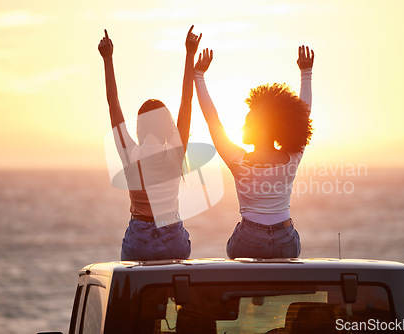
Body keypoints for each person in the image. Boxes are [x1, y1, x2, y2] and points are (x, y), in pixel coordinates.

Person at [194, 45, 314, 259]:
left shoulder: (237, 160)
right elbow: (303, 115)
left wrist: (198, 76)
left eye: (248, 123)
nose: (242, 127)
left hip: (249, 239)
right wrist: (306, 73)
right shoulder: (292, 158)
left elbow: (213, 121)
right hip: (285, 240)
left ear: (264, 129)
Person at [98, 26, 202, 261]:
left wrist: (108, 59)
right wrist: (189, 54)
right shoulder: (176, 151)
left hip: (139, 238)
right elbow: (187, 101)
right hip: (172, 237)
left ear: (140, 126)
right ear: (167, 125)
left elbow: (112, 103)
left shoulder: (129, 152)